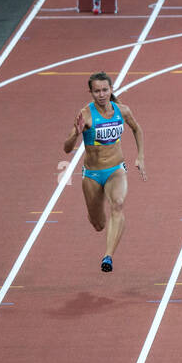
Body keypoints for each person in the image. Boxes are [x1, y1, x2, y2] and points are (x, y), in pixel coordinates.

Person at [63, 71, 147, 273]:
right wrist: (76, 133)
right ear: (91, 93)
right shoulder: (84, 115)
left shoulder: (123, 110)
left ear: (111, 90)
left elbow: (137, 129)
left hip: (116, 169)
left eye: (105, 90)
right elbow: (66, 148)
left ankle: (108, 256)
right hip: (92, 174)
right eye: (96, 91)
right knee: (98, 224)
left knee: (117, 205)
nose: (101, 94)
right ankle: (97, 218)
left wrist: (140, 156)